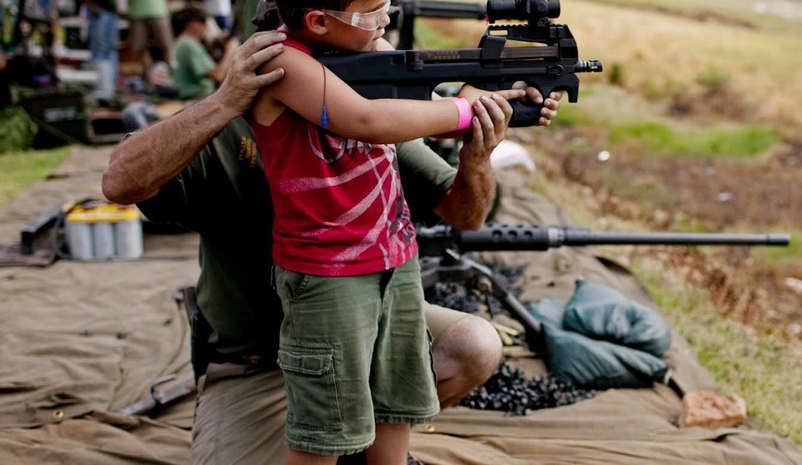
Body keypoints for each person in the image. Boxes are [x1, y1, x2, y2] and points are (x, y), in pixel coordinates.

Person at [101, 26, 560, 464]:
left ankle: (357, 444)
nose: (376, 45)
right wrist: (223, 102)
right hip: (255, 363)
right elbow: (120, 180)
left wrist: (476, 158)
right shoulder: (232, 129)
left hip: (364, 335)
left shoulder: (371, 113)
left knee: (472, 344)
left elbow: (466, 214)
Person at [249, 0, 549, 465]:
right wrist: (464, 112)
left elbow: (417, 105)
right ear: (319, 20)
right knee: (325, 432)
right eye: (374, 12)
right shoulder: (280, 61)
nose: (387, 22)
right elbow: (366, 119)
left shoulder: (363, 48)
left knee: (397, 411)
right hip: (328, 278)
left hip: (395, 263)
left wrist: (503, 102)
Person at [170, 6, 234, 100]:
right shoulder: (189, 44)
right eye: (203, 23)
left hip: (189, 96)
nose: (205, 27)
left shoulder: (181, 43)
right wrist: (231, 50)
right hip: (197, 98)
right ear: (193, 24)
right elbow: (218, 75)